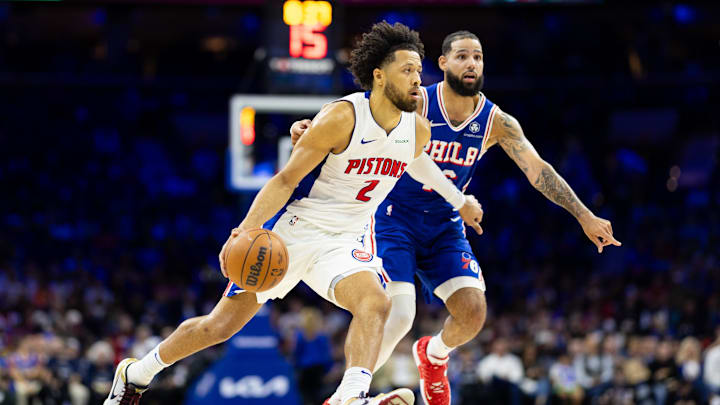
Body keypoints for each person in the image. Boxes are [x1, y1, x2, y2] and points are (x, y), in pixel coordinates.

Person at [104, 21, 485, 405]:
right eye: (407, 71)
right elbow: (285, 180)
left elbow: (418, 163)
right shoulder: (342, 117)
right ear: (379, 75)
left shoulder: (417, 130)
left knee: (377, 302)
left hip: (347, 239)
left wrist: (459, 200)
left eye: (419, 71)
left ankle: (349, 397)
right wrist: (243, 231)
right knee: (218, 326)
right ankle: (137, 373)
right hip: (296, 233)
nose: (418, 80)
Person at [292, 30, 621, 405]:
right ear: (444, 63)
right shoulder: (417, 102)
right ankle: (348, 397)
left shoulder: (498, 122)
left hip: (445, 225)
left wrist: (584, 215)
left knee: (473, 312)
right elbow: (363, 112)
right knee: (399, 314)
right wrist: (311, 124)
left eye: (478, 58)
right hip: (392, 218)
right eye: (463, 56)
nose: (472, 64)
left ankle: (433, 355)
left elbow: (537, 169)